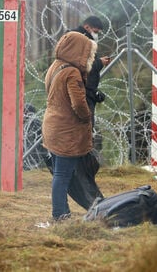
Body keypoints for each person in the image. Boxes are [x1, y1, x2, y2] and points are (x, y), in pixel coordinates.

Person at [42, 31, 97, 221]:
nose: (90, 57)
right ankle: (59, 213)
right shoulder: (72, 72)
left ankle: (62, 211)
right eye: (88, 53)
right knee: (62, 175)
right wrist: (87, 118)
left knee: (60, 173)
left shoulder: (56, 66)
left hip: (53, 125)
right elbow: (79, 104)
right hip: (67, 130)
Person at [69, 15, 111, 126]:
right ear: (87, 27)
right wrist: (99, 63)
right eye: (95, 31)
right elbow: (83, 66)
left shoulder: (84, 40)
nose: (96, 35)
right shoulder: (80, 40)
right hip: (82, 92)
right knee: (85, 129)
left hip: (86, 91)